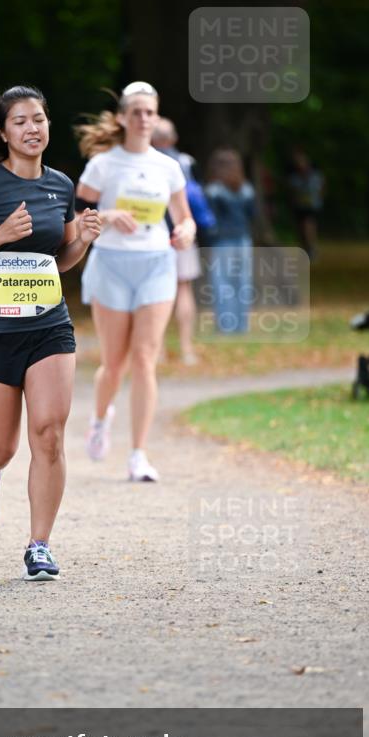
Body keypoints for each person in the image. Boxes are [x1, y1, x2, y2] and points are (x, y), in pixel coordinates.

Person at [0, 85, 101, 580]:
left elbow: (58, 260)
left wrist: (84, 241)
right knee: (1, 447)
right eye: (21, 122)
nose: (33, 128)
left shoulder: (60, 185)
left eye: (39, 119)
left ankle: (39, 545)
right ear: (4, 133)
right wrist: (0, 235)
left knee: (49, 434)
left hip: (48, 325)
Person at [75, 82, 196, 482]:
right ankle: (99, 418)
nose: (145, 118)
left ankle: (138, 454)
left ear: (157, 117)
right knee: (115, 364)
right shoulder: (103, 165)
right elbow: (76, 215)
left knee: (145, 358)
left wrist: (186, 232)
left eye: (151, 112)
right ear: (124, 117)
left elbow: (184, 217)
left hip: (157, 264)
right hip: (111, 263)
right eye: (138, 112)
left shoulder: (169, 167)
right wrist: (107, 216)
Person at [152, 117, 210, 366]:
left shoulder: (145, 162)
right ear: (173, 138)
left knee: (156, 293)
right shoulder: (186, 162)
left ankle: (159, 351)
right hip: (183, 232)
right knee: (184, 289)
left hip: (153, 234)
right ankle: (187, 349)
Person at [204, 148, 256, 334]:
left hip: (222, 242)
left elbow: (210, 220)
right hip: (243, 240)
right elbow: (253, 215)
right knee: (243, 282)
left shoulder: (213, 191)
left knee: (222, 283)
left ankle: (226, 325)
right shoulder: (247, 189)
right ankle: (242, 325)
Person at [287, 148, 324, 260]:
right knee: (300, 230)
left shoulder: (315, 176)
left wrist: (318, 198)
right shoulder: (294, 178)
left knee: (308, 227)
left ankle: (312, 248)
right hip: (299, 207)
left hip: (311, 206)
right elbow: (292, 192)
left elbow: (321, 188)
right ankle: (305, 250)